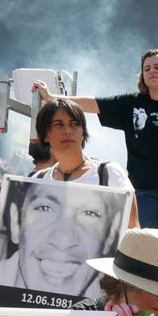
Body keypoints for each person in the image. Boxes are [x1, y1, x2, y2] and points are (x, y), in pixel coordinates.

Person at [33, 48, 158, 229]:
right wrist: (53, 98)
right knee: (142, 246)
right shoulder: (130, 104)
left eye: (157, 67)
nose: (152, 71)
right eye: (146, 69)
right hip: (143, 189)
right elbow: (93, 103)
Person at [0, 179, 125, 300]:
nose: (63, 242)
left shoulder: (114, 303)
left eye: (90, 213)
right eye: (45, 208)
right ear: (15, 222)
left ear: (111, 233)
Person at [30, 97, 139, 228]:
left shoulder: (109, 174)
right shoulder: (38, 181)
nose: (68, 131)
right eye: (59, 124)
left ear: (83, 133)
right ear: (45, 134)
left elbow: (133, 233)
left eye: (74, 124)